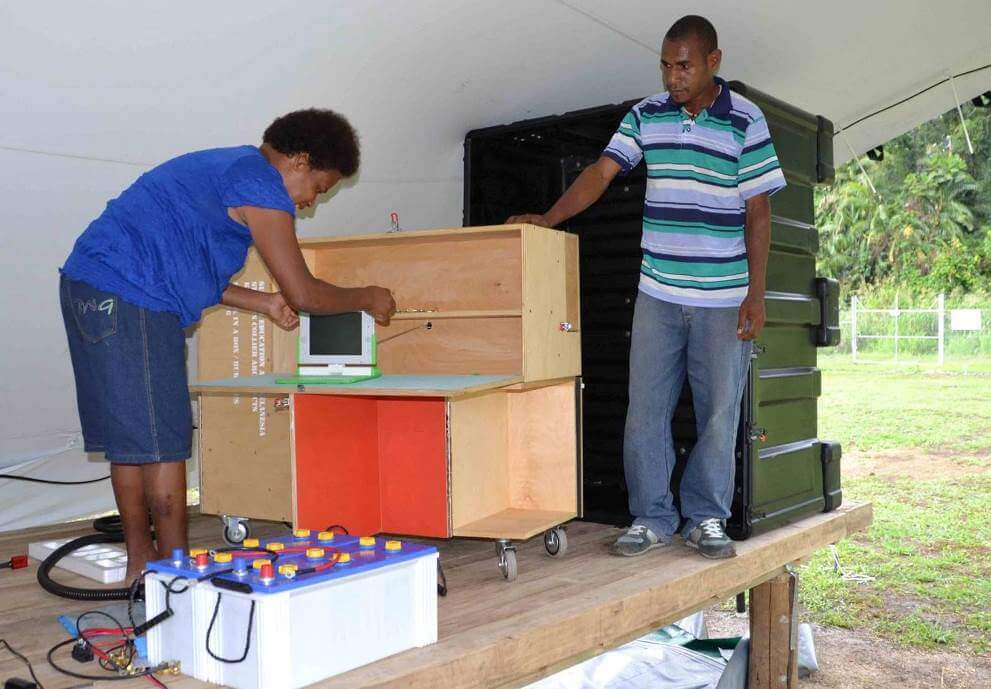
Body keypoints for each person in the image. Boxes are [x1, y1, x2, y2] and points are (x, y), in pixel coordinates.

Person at [60, 108, 396, 580]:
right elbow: (306, 292)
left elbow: (186, 271)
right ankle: (176, 578)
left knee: (135, 441)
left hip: (95, 286)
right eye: (318, 189)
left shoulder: (227, 170)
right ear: (299, 161)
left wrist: (261, 303)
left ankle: (146, 567)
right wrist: (366, 297)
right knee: (164, 442)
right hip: (129, 294)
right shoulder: (259, 185)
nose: (308, 204)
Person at [508, 16, 785, 559]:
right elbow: (602, 172)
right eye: (665, 64)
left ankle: (706, 518)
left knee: (719, 414)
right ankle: (652, 517)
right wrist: (550, 217)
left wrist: (756, 294)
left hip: (723, 299)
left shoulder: (746, 120)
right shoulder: (646, 115)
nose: (672, 76)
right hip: (658, 293)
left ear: (713, 61)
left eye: (683, 65)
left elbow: (758, 212)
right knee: (646, 411)